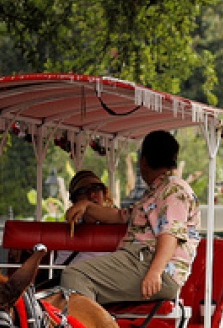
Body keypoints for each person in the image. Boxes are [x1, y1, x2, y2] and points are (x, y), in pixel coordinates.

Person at [61, 130, 200, 304]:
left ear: (144, 161)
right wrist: (86, 206)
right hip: (143, 262)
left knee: (75, 275)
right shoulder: (158, 190)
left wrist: (155, 273)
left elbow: (170, 235)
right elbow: (119, 216)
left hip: (151, 265)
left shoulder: (173, 189)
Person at [53, 170, 113, 267]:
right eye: (83, 191)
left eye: (96, 188)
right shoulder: (66, 229)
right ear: (75, 200)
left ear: (104, 194)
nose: (92, 195)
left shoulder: (117, 225)